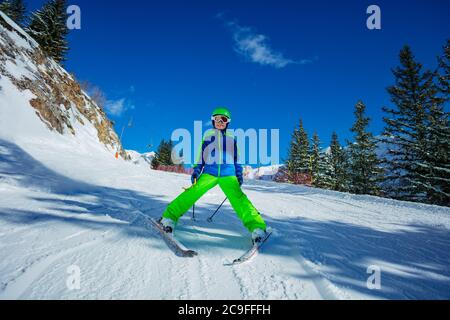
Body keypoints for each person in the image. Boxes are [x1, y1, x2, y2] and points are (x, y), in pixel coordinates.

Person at [158, 107, 268, 244]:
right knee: (192, 192)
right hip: (209, 172)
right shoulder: (208, 136)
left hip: (228, 174)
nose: (220, 121)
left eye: (223, 119)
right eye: (217, 119)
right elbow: (201, 157)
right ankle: (169, 218)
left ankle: (257, 228)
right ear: (213, 121)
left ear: (228, 122)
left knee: (240, 199)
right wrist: (197, 170)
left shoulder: (232, 139)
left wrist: (239, 174)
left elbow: (237, 159)